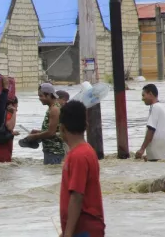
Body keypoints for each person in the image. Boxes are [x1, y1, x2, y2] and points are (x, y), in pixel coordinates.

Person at [59, 100, 105, 237]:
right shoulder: (85, 151)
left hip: (85, 229)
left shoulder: (78, 156)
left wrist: (68, 234)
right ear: (86, 124)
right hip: (82, 228)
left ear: (62, 128)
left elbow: (77, 196)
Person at [136, 84, 165, 161]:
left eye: (143, 95)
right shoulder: (163, 108)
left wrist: (142, 149)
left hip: (156, 151)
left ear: (150, 94)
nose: (142, 99)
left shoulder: (155, 107)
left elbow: (151, 130)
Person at [26, 83, 65, 165]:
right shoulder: (52, 107)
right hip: (51, 151)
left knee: (52, 176)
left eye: (41, 96)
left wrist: (34, 136)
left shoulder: (54, 109)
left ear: (49, 95)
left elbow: (51, 133)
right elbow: (54, 130)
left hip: (54, 152)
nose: (40, 98)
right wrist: (38, 132)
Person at [0, 97, 20, 163]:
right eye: (16, 106)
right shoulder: (8, 114)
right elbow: (10, 127)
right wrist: (14, 112)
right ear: (11, 105)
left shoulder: (1, 113)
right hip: (2, 150)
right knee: (3, 164)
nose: (17, 109)